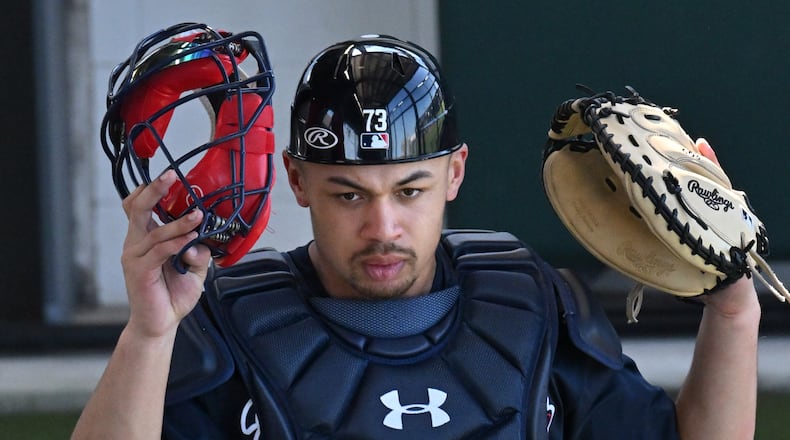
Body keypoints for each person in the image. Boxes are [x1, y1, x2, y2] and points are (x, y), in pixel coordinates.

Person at [72, 26, 761, 440]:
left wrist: (734, 310)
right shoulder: (226, 320)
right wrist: (149, 335)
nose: (382, 228)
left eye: (411, 190)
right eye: (348, 194)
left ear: (456, 174)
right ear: (297, 179)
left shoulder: (532, 302)